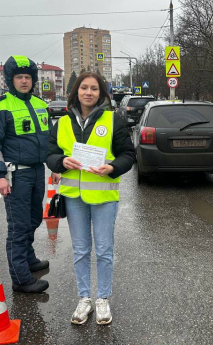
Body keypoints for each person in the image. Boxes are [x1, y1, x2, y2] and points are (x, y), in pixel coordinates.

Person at [47, 72, 135, 325]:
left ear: (101, 93)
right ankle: (84, 298)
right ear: (76, 92)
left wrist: (112, 168)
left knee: (105, 250)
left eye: (94, 89)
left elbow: (128, 154)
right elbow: (50, 154)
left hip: (104, 197)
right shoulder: (63, 122)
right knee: (81, 250)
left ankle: (103, 299)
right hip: (74, 197)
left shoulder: (113, 119)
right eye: (84, 88)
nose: (88, 92)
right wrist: (61, 161)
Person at [0, 55, 52, 293]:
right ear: (11, 80)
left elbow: (49, 141)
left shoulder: (40, 104)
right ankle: (20, 277)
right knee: (18, 226)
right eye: (19, 77)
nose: (24, 81)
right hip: (16, 175)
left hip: (37, 171)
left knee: (33, 219)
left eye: (28, 77)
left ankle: (28, 259)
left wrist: (55, 166)